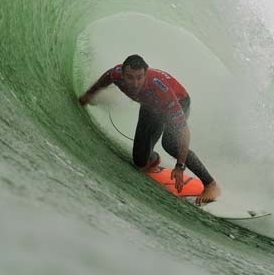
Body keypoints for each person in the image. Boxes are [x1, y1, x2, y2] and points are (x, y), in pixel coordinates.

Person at [78, 54, 221, 204]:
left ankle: (210, 184)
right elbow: (102, 82)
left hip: (178, 102)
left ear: (146, 74)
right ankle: (153, 158)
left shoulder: (162, 91)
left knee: (170, 144)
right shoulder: (115, 74)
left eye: (139, 78)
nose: (135, 83)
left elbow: (184, 132)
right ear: (122, 74)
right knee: (140, 161)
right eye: (130, 77)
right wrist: (88, 96)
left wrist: (180, 166)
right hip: (150, 106)